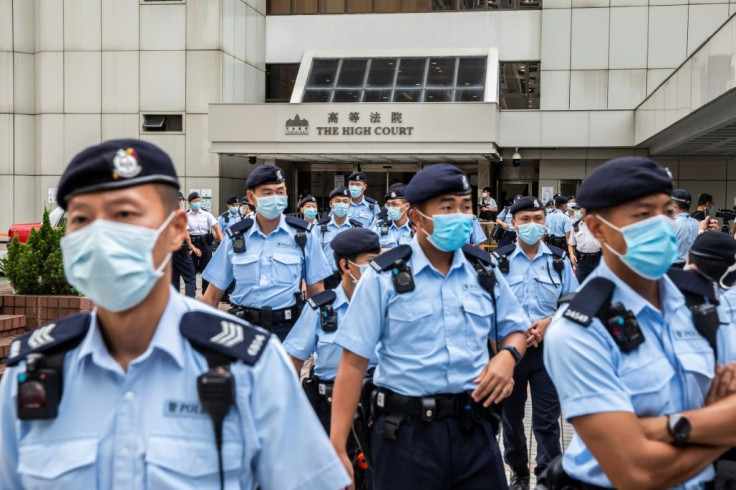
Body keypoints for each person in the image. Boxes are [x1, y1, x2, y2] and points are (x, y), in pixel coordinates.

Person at [0, 139, 350, 489]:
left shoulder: (250, 366)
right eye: (81, 218)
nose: (101, 235)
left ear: (176, 229)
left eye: (125, 214)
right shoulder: (31, 375)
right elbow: (212, 293)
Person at [329, 163, 529, 490]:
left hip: (475, 430)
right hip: (406, 435)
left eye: (466, 206)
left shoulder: (484, 271)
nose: (461, 215)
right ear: (416, 218)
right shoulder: (382, 278)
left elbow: (516, 329)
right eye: (448, 207)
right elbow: (352, 363)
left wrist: (507, 358)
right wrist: (337, 447)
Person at [542, 156, 730, 489]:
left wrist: (667, 427)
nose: (661, 225)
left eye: (667, 212)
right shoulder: (578, 331)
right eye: (643, 215)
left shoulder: (702, 303)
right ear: (597, 227)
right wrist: (723, 427)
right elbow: (637, 473)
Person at [493, 196, 579, 489]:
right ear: (514, 224)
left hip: (548, 352)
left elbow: (572, 304)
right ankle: (518, 470)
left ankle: (547, 473)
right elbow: (488, 305)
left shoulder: (558, 260)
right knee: (511, 417)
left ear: (545, 223)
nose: (532, 225)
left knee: (546, 418)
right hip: (510, 353)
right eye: (525, 219)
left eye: (538, 219)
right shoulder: (499, 260)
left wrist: (548, 323)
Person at [201, 165, 333, 341]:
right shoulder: (235, 237)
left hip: (288, 330)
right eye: (267, 193)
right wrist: (204, 341)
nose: (275, 198)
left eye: (280, 191)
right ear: (251, 197)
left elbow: (317, 293)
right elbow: (212, 297)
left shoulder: (304, 235)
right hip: (242, 330)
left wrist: (320, 342)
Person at [284, 227, 380, 433]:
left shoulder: (387, 307)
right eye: (370, 261)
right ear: (345, 265)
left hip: (378, 410)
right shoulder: (320, 309)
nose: (377, 268)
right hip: (328, 409)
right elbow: (293, 360)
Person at [312, 186, 365, 290]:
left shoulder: (357, 228)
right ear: (331, 204)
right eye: (338, 201)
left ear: (349, 205)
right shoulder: (319, 227)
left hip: (350, 278)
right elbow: (313, 255)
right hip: (325, 279)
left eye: (345, 201)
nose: (342, 204)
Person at [186, 191, 223, 296]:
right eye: (194, 201)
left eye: (198, 200)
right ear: (190, 203)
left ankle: (206, 293)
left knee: (207, 270)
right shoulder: (186, 216)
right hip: (192, 245)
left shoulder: (206, 214)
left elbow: (217, 228)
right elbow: (186, 234)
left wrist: (223, 243)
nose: (197, 203)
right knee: (191, 271)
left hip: (205, 244)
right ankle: (191, 293)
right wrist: (192, 247)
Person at [171, 191, 197, 298]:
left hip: (168, 249)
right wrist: (191, 246)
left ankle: (174, 302)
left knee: (174, 277)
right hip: (180, 249)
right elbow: (185, 234)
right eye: (181, 200)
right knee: (190, 277)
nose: (182, 202)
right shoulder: (180, 214)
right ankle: (189, 302)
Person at [567, 204, 602, 283]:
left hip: (597, 260)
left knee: (597, 285)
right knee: (579, 285)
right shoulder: (576, 226)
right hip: (582, 261)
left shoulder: (598, 225)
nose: (577, 211)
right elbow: (571, 244)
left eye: (579, 209)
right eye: (576, 209)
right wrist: (572, 255)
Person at [372, 184, 412, 249]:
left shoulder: (415, 228)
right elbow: (371, 251)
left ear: (407, 206)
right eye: (388, 204)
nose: (390, 208)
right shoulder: (379, 228)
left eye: (394, 204)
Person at [672, 189, 700, 268]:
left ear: (674, 206)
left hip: (674, 269)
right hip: (693, 268)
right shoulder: (698, 224)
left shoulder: (671, 225)